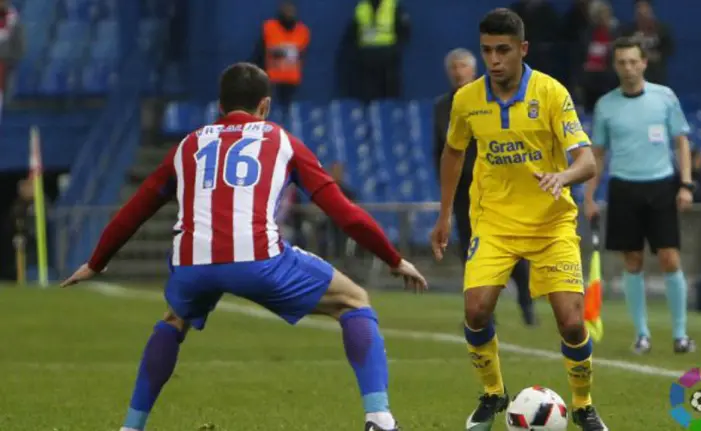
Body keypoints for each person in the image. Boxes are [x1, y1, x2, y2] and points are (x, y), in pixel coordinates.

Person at [60, 63, 427, 431]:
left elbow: (135, 210)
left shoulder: (188, 145)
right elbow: (344, 214)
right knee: (354, 301)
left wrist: (97, 260)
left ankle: (131, 426)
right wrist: (393, 258)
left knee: (174, 319)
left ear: (220, 105)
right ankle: (379, 418)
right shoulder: (281, 141)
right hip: (258, 260)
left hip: (193, 264)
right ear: (264, 105)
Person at [430, 9, 607, 431]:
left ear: (522, 49)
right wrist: (443, 214)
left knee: (571, 321)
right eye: (487, 50)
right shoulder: (467, 100)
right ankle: (493, 394)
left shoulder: (550, 92)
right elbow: (453, 152)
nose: (494, 60)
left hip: (551, 222)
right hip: (494, 222)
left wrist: (563, 175)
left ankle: (582, 405)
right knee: (475, 310)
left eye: (503, 51)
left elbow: (585, 159)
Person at [584, 37, 696, 356]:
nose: (628, 67)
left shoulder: (665, 98)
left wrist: (685, 184)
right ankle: (642, 334)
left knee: (669, 257)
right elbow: (599, 154)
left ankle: (680, 334)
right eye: (622, 62)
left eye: (634, 61)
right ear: (615, 65)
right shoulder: (606, 105)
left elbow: (682, 142)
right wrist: (590, 195)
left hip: (661, 185)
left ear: (644, 63)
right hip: (623, 187)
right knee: (632, 261)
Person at [433, 47, 535, 326]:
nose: (458, 72)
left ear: (473, 69)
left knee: (511, 248)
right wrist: (446, 192)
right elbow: (439, 151)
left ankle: (527, 305)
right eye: (454, 68)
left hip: (495, 185)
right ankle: (483, 309)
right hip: (464, 189)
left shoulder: (490, 99)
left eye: (463, 67)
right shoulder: (443, 106)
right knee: (471, 249)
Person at [252, 1, 310, 108]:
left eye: (291, 10)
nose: (289, 12)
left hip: (292, 80)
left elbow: (302, 54)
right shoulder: (270, 27)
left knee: (290, 112)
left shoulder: (302, 31)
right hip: (272, 79)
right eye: (286, 9)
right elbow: (261, 52)